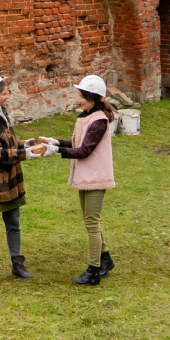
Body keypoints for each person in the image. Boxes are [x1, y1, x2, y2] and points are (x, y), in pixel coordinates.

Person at [0, 73, 52, 283]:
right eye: (4, 93)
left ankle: (17, 264)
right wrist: (28, 154)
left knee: (13, 223)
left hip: (9, 179)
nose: (8, 96)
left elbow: (10, 143)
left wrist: (30, 143)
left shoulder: (1, 113)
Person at [39, 74, 116, 286]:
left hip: (96, 178)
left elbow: (84, 151)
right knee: (91, 221)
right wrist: (55, 142)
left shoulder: (99, 120)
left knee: (92, 224)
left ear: (92, 97)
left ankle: (93, 271)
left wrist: (55, 151)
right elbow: (76, 143)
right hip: (87, 177)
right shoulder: (87, 116)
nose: (78, 99)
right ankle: (105, 259)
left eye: (81, 96)